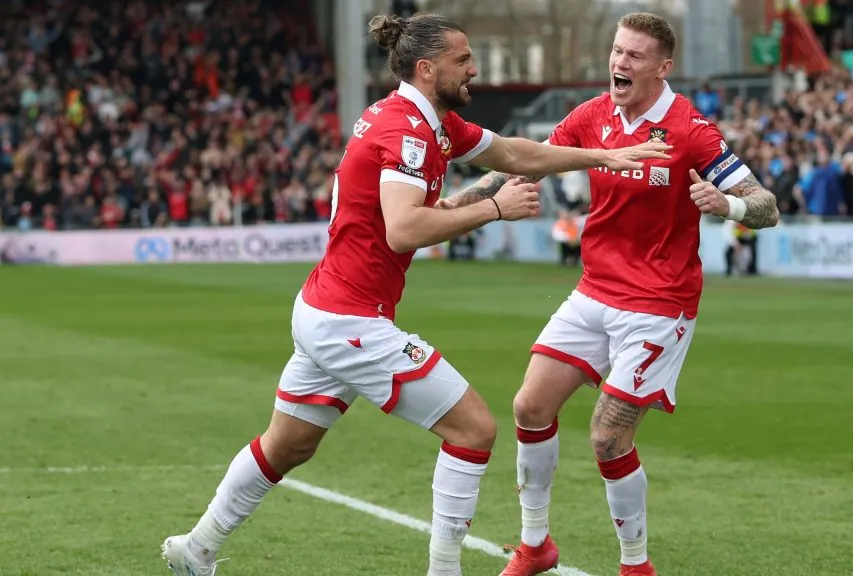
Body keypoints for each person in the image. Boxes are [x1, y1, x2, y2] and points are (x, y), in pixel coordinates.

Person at [160, 12, 670, 576]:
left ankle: (197, 548)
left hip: (324, 308)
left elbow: (518, 155)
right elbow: (403, 229)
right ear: (427, 69)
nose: (473, 69)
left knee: (287, 446)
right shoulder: (408, 132)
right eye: (462, 61)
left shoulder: (429, 121)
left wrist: (602, 156)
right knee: (474, 429)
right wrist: (491, 208)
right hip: (350, 318)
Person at [441, 12, 779, 576]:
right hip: (595, 291)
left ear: (663, 67)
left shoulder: (691, 129)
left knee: (606, 437)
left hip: (658, 305)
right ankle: (534, 546)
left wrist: (730, 207)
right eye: (617, 51)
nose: (620, 63)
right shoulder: (593, 115)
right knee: (529, 406)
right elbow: (523, 163)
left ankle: (635, 564)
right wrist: (459, 203)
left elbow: (766, 205)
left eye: (635, 56)